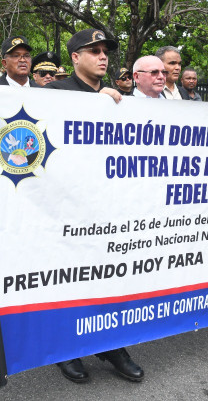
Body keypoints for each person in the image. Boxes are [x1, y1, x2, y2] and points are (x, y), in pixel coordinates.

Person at [47, 29, 145, 383]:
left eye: (105, 51)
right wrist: (93, 103)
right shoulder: (54, 93)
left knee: (108, 281)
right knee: (69, 281)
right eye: (93, 51)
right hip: (67, 210)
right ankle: (66, 348)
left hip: (108, 210)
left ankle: (111, 344)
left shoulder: (121, 98)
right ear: (75, 57)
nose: (102, 56)